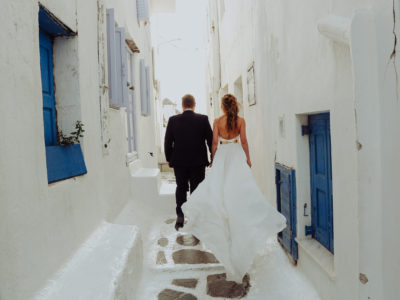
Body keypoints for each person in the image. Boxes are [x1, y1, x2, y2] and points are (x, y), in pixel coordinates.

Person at [182, 94, 287, 283]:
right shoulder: (241, 121)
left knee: (220, 193)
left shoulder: (217, 121)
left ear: (222, 106)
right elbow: (244, 141)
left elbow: (214, 143)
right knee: (239, 192)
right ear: (235, 105)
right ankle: (239, 226)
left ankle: (226, 229)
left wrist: (214, 160)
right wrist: (248, 158)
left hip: (223, 155)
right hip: (236, 154)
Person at [164, 94, 213, 231]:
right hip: (198, 162)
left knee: (181, 187)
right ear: (194, 104)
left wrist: (169, 158)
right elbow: (210, 140)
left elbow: (168, 141)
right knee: (196, 189)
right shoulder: (203, 119)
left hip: (179, 161)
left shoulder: (173, 120)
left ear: (182, 105)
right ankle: (196, 218)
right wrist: (212, 157)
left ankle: (180, 216)